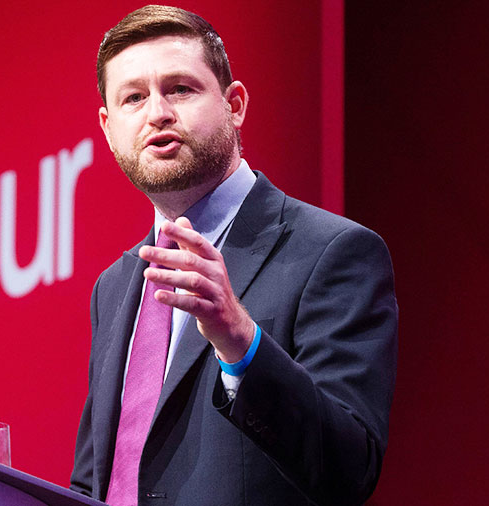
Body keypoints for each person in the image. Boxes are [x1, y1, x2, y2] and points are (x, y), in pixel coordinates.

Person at [70, 5, 397, 506]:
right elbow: (97, 480)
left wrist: (241, 341)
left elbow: (348, 470)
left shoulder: (333, 252)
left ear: (235, 104)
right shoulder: (113, 286)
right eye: (133, 98)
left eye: (180, 88)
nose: (157, 112)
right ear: (109, 128)